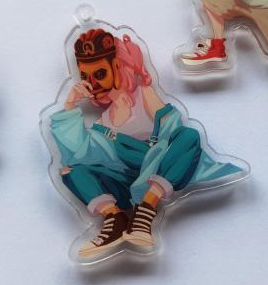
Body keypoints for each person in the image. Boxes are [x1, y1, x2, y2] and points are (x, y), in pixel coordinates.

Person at [50, 28, 243, 258]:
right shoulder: (103, 122)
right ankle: (115, 221)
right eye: (85, 77)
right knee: (71, 170)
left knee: (189, 136)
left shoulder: (144, 95)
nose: (92, 84)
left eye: (99, 74)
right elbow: (78, 155)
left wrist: (153, 153)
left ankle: (145, 211)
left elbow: (173, 131)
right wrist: (70, 105)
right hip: (125, 182)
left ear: (117, 66)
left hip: (161, 169)